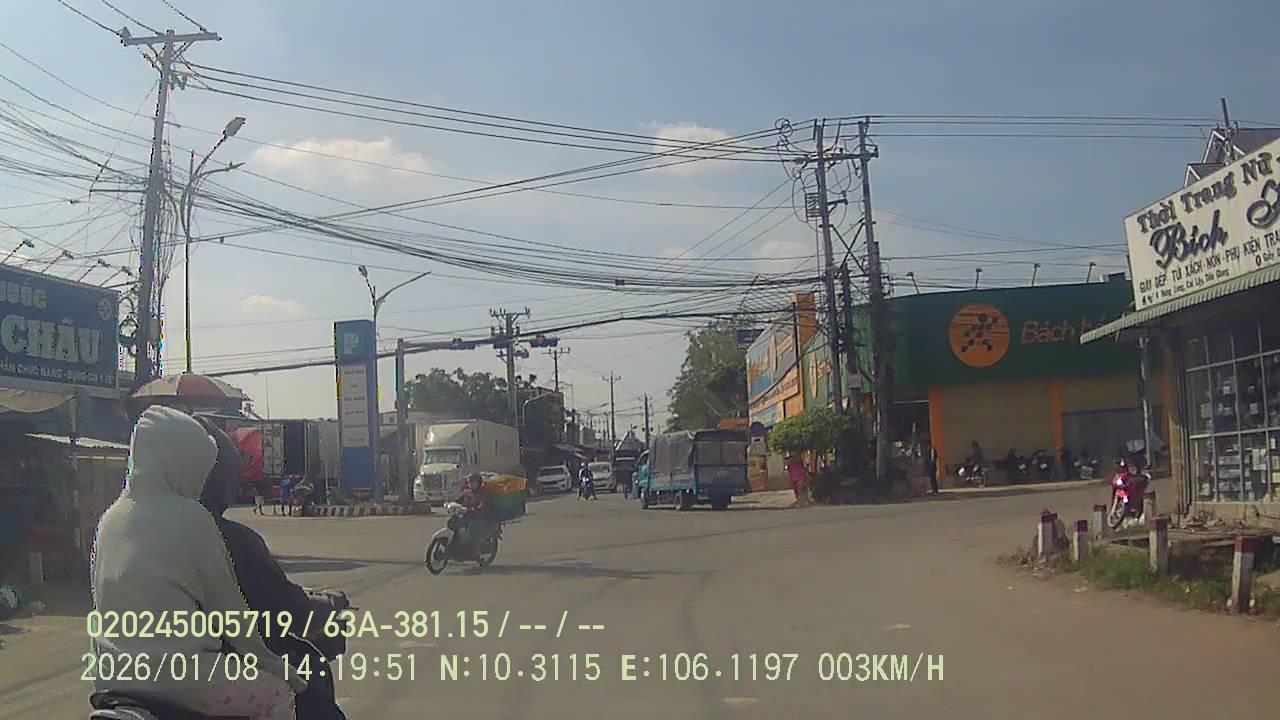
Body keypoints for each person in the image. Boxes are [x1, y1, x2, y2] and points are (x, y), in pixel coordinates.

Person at [89, 406, 304, 719]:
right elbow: (229, 612)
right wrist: (273, 664)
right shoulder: (191, 517)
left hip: (111, 677)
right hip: (182, 678)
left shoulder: (109, 519)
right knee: (278, 693)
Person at [195, 417, 348, 720]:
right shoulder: (229, 539)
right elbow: (284, 608)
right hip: (208, 673)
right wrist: (326, 606)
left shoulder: (123, 530)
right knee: (308, 677)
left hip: (125, 677)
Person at [457, 473, 497, 549]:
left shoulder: (483, 493)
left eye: (473, 482)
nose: (471, 484)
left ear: (479, 483)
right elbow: (458, 501)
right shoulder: (466, 492)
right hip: (468, 515)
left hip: (481, 517)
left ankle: (475, 550)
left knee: (473, 530)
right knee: (456, 523)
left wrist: (474, 509)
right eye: (469, 482)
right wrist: (450, 504)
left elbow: (482, 506)